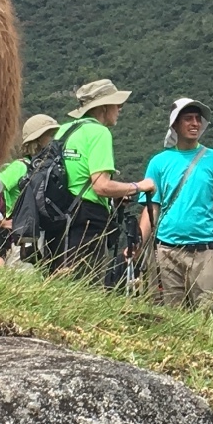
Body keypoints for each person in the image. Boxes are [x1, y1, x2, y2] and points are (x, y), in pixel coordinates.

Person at [139, 99, 213, 311]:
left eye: (197, 119)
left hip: (205, 251)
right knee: (170, 315)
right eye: (188, 119)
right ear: (175, 125)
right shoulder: (159, 162)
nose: (195, 124)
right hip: (166, 251)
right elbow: (151, 207)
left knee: (209, 313)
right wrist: (138, 243)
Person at [55, 79, 154, 278]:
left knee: (59, 280)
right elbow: (101, 186)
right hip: (88, 219)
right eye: (116, 104)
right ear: (104, 107)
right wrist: (139, 186)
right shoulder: (100, 133)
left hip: (58, 215)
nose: (120, 108)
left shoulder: (64, 130)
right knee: (86, 286)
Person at [0, 113, 58, 262]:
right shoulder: (20, 167)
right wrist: (1, 221)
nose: (53, 140)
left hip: (38, 238)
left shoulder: (47, 170)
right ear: (37, 141)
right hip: (21, 240)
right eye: (50, 135)